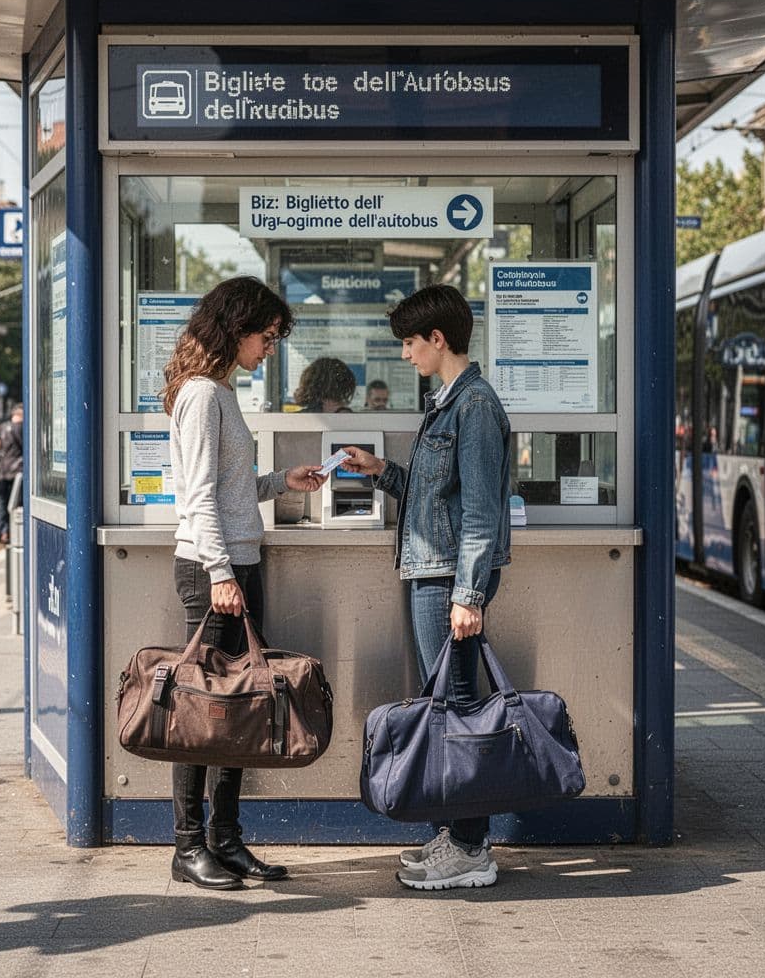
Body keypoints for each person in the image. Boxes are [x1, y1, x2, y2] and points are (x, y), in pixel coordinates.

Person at [341, 284, 511, 892]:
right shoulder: (450, 402)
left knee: (459, 708)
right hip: (434, 572)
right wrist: (380, 471)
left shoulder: (475, 406)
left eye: (411, 342)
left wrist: (468, 595)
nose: (406, 354)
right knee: (444, 706)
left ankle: (470, 848)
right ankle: (456, 832)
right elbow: (439, 494)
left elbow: (481, 512)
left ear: (438, 339)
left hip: (447, 581)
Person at [162, 276, 324, 891]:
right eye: (268, 336)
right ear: (237, 328)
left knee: (236, 705)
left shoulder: (221, 392)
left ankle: (225, 839)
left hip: (237, 565)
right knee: (201, 706)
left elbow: (230, 490)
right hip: (215, 572)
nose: (270, 348)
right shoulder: (202, 394)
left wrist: (283, 481)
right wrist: (220, 572)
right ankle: (188, 846)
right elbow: (198, 497)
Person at [0, 404, 24, 543]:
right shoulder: (27, 427)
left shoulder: (2, 428)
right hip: (20, 474)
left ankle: (4, 532)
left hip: (3, 473)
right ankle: (18, 532)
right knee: (18, 505)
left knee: (2, 503)